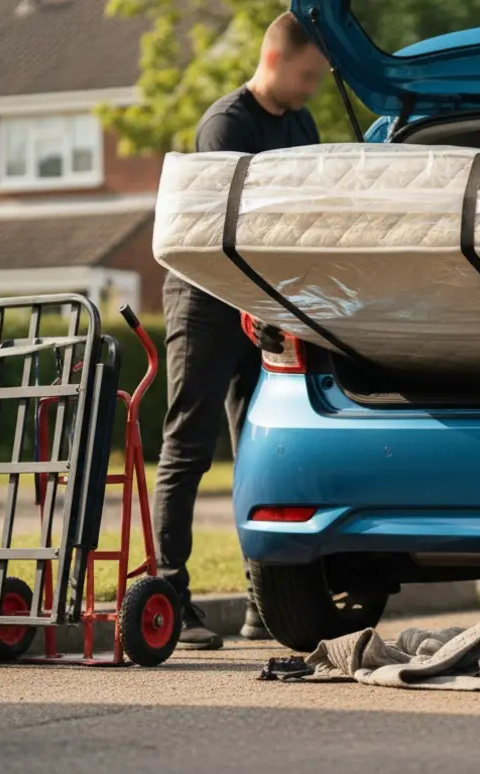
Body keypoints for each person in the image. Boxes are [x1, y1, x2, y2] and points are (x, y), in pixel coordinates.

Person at [154, 11, 329, 650]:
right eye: (308, 75)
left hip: (264, 306)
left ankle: (263, 606)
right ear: (278, 60)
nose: (313, 89)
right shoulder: (226, 125)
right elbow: (234, 233)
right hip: (208, 302)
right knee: (189, 446)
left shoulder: (301, 124)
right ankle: (172, 595)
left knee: (259, 455)